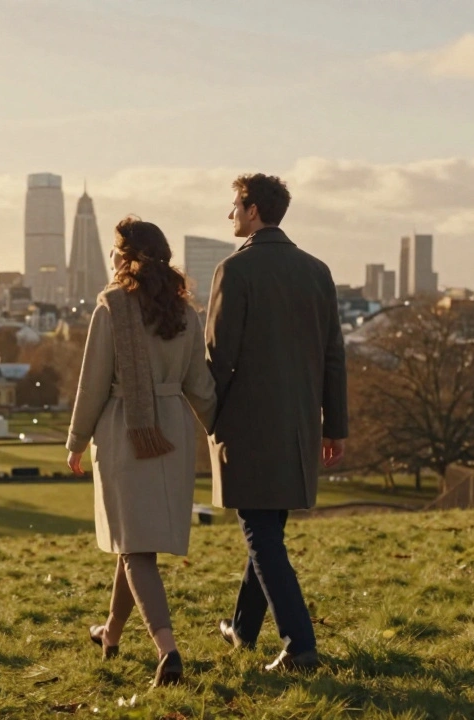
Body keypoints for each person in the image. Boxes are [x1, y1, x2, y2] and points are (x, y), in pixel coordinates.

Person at [205, 173, 348, 672]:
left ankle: (299, 645)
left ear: (252, 209)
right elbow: (334, 356)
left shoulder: (234, 271)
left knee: (260, 532)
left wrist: (204, 416)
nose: (230, 216)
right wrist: (335, 426)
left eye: (234, 206)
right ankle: (243, 629)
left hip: (249, 426)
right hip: (301, 426)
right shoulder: (317, 271)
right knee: (266, 529)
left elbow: (218, 359)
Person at [66, 216, 216, 687]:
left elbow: (93, 384)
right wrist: (221, 430)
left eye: (114, 249)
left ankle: (167, 650)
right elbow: (201, 386)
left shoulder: (111, 307)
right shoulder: (184, 312)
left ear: (126, 256)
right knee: (135, 541)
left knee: (134, 546)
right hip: (172, 431)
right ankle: (110, 633)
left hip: (125, 429)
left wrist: (75, 440)